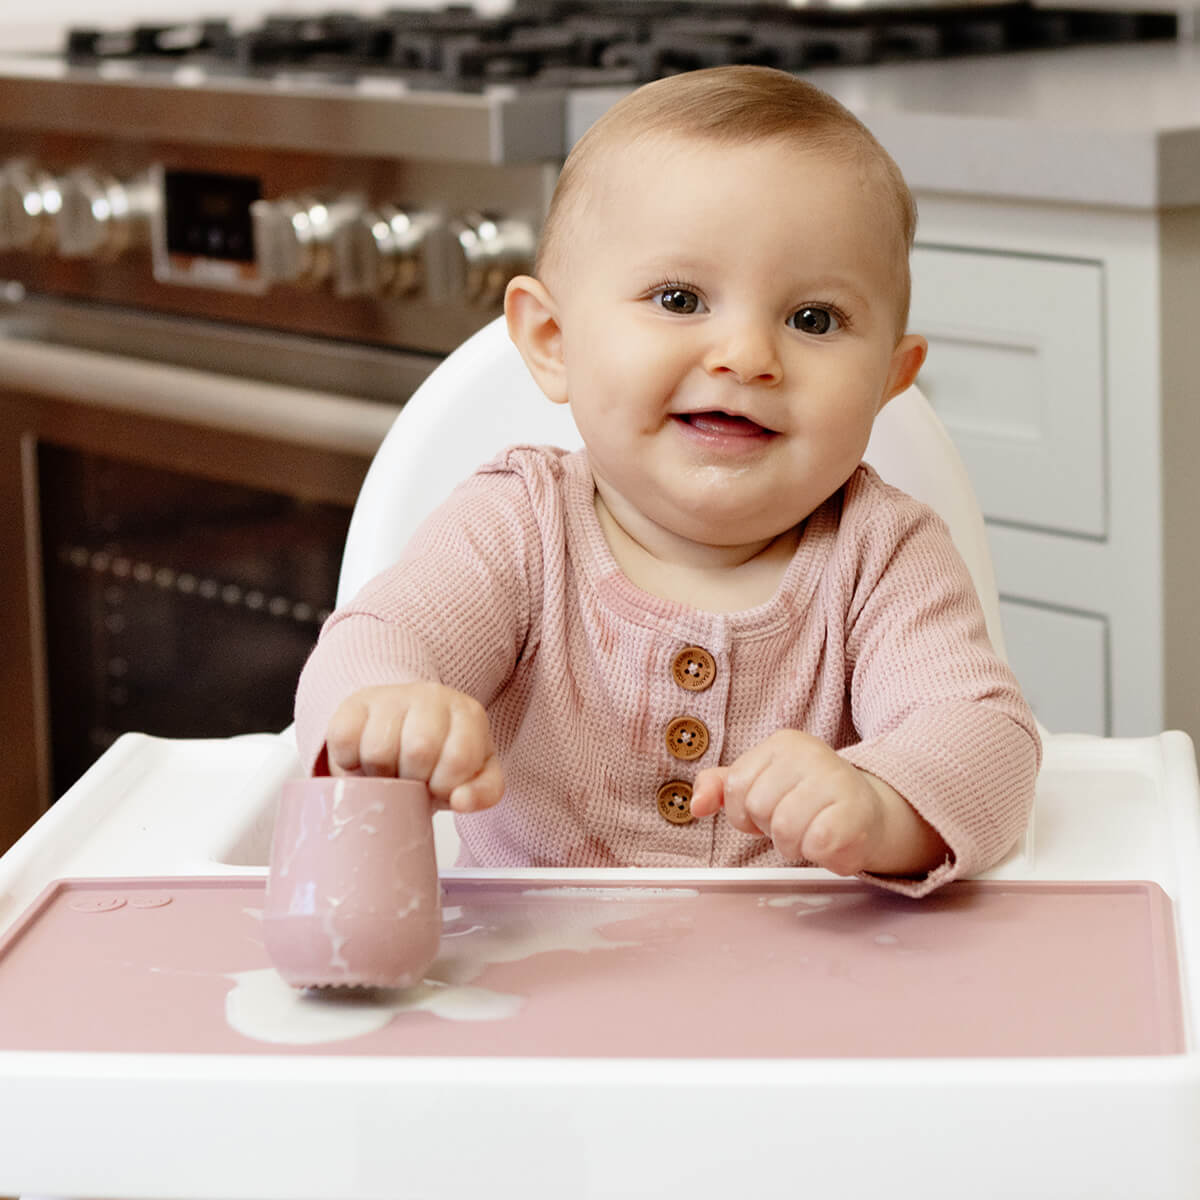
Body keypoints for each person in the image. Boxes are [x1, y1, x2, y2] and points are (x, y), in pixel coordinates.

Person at [294, 65, 1040, 897]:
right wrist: (389, 712)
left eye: (813, 319)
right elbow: (376, 640)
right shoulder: (517, 524)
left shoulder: (883, 554)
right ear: (552, 340)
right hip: (535, 962)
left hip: (806, 964)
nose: (746, 357)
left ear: (888, 381)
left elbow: (985, 740)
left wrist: (878, 805)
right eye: (680, 299)